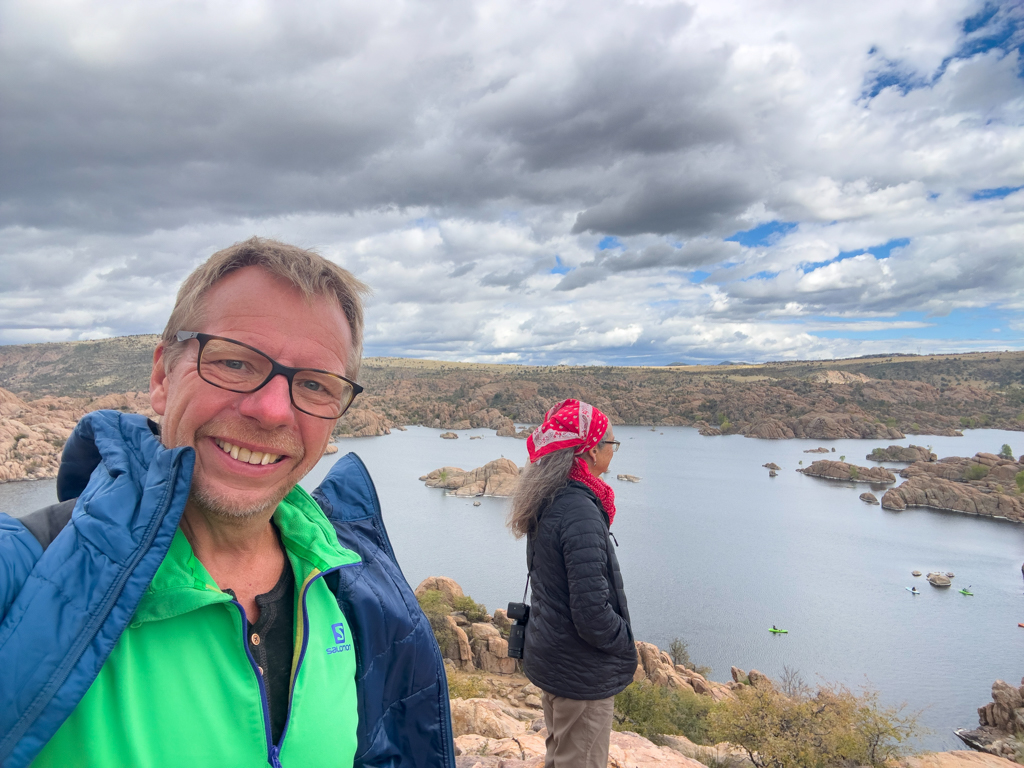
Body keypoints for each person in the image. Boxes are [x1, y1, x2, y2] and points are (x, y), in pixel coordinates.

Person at [0, 238, 455, 768]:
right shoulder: (27, 578)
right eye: (235, 362)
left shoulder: (357, 594)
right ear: (162, 377)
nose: (270, 410)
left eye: (314, 385)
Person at [506, 399, 636, 768]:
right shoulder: (579, 509)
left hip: (555, 658)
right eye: (611, 444)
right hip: (580, 673)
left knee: (561, 754)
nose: (613, 451)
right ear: (592, 450)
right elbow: (592, 611)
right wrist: (623, 641)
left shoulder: (550, 496)